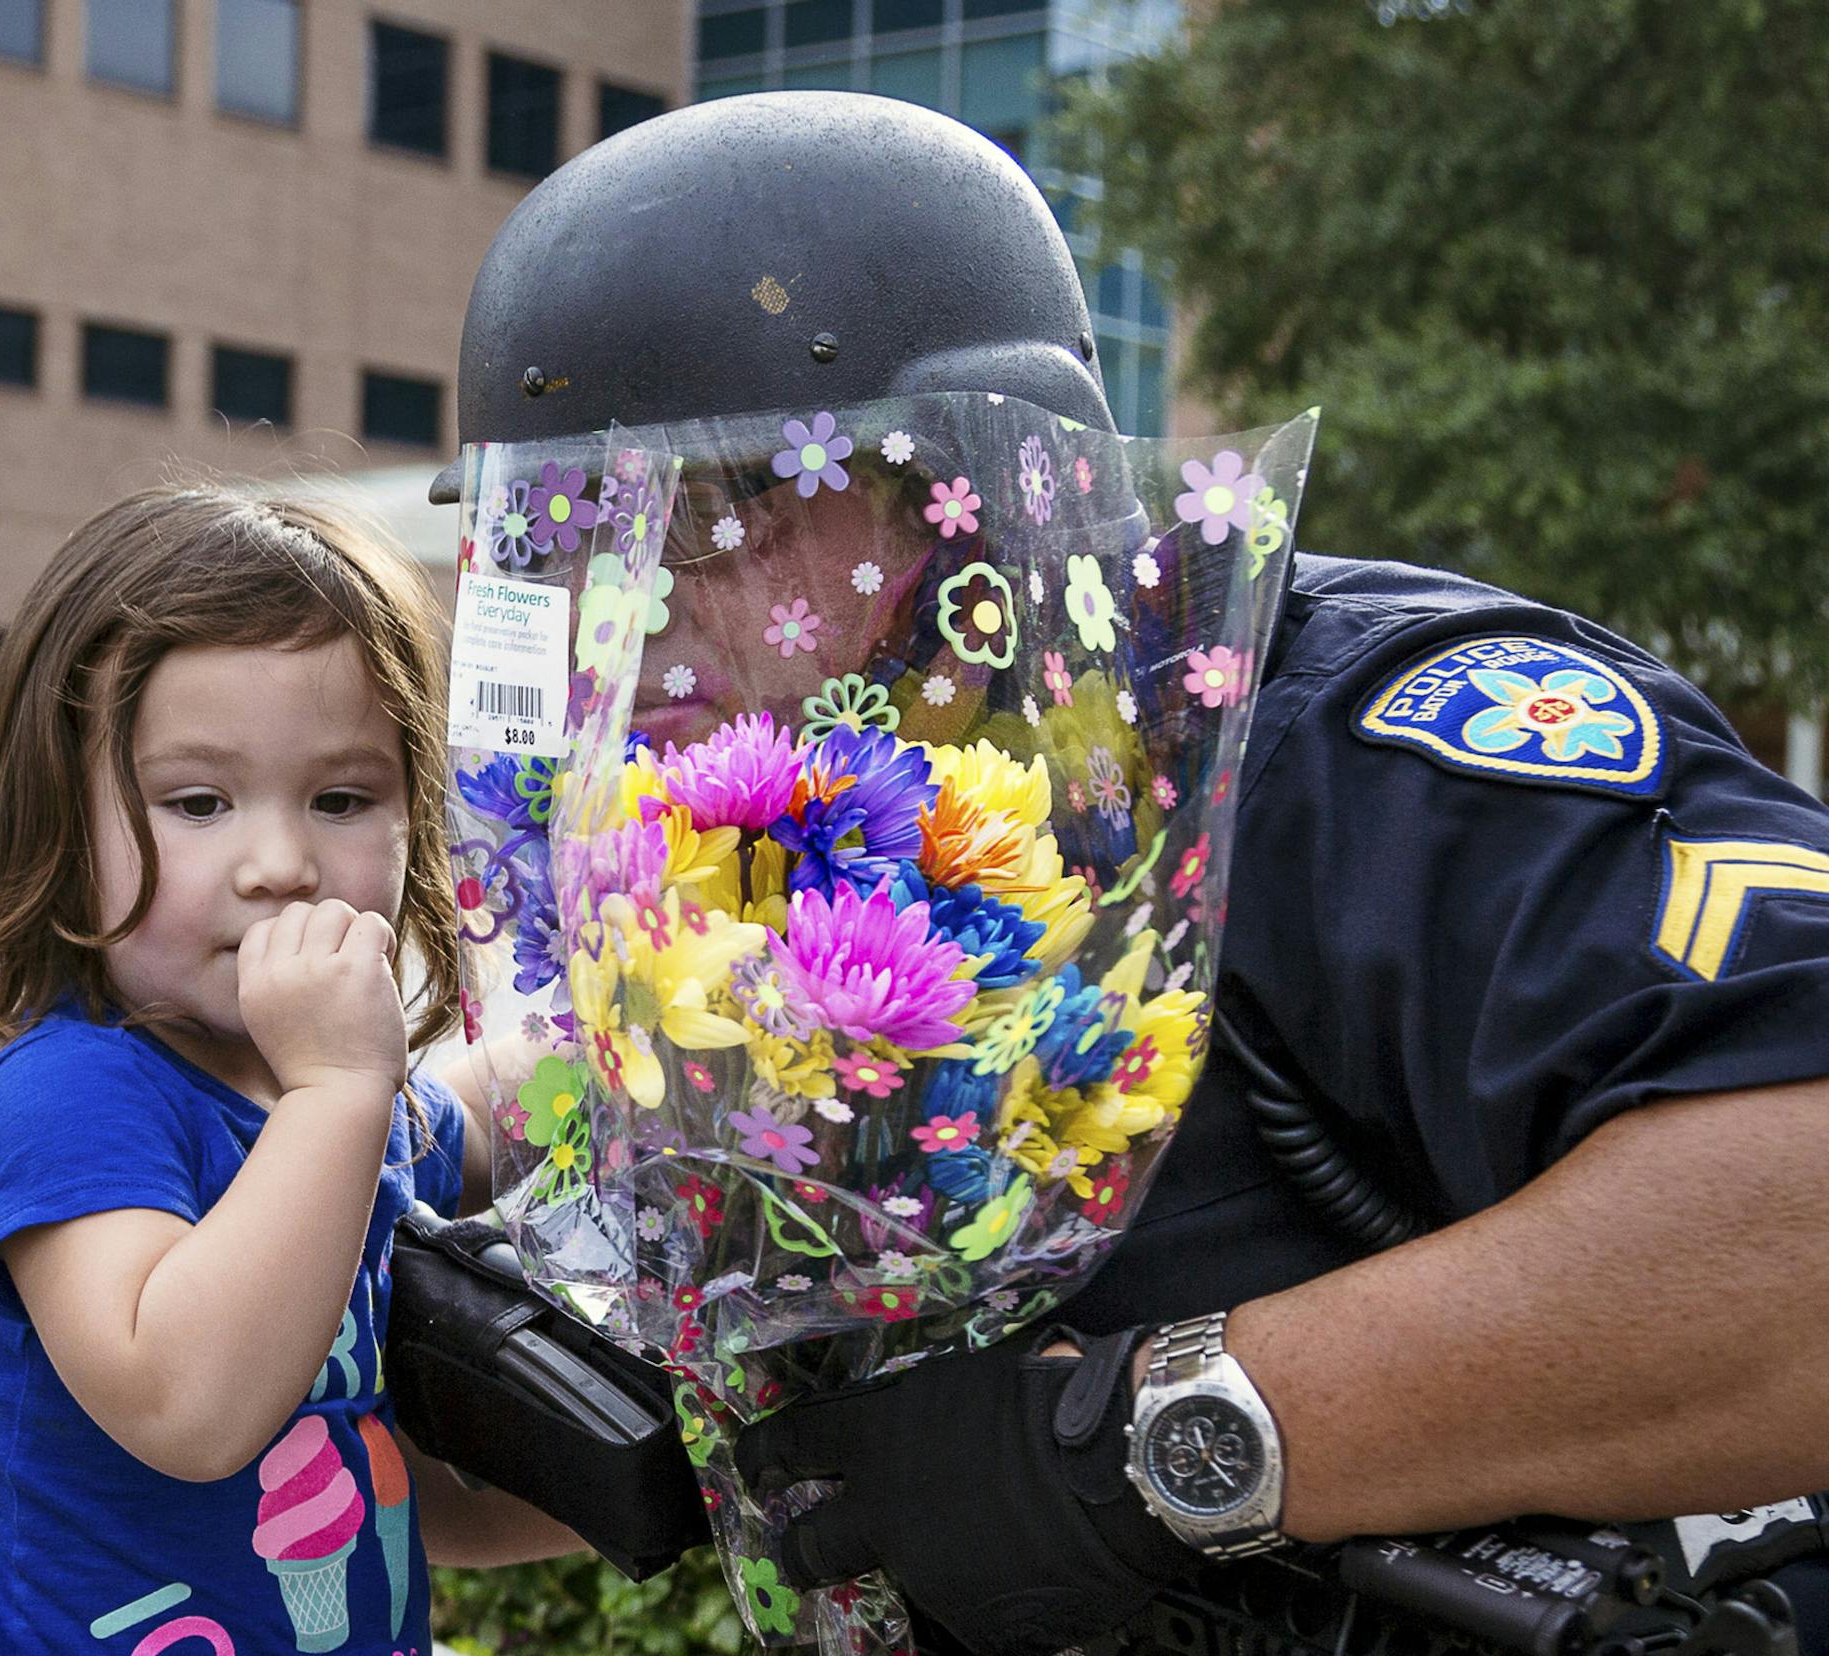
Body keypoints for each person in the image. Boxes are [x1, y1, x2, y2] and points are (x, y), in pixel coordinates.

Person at [434, 93, 1829, 1656]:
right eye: (561, 539)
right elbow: (677, 1468)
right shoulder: (748, 855)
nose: (624, 611)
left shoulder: (1345, 749)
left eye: (709, 516)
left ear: (962, 485)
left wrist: (1154, 1443)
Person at [0, 485, 581, 1655]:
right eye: (198, 802)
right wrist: (341, 1092)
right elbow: (188, 1408)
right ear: (57, 824)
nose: (281, 864)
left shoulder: (335, 1110)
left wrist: (661, 1028)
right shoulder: (67, 1101)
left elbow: (379, 1484)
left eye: (342, 798)